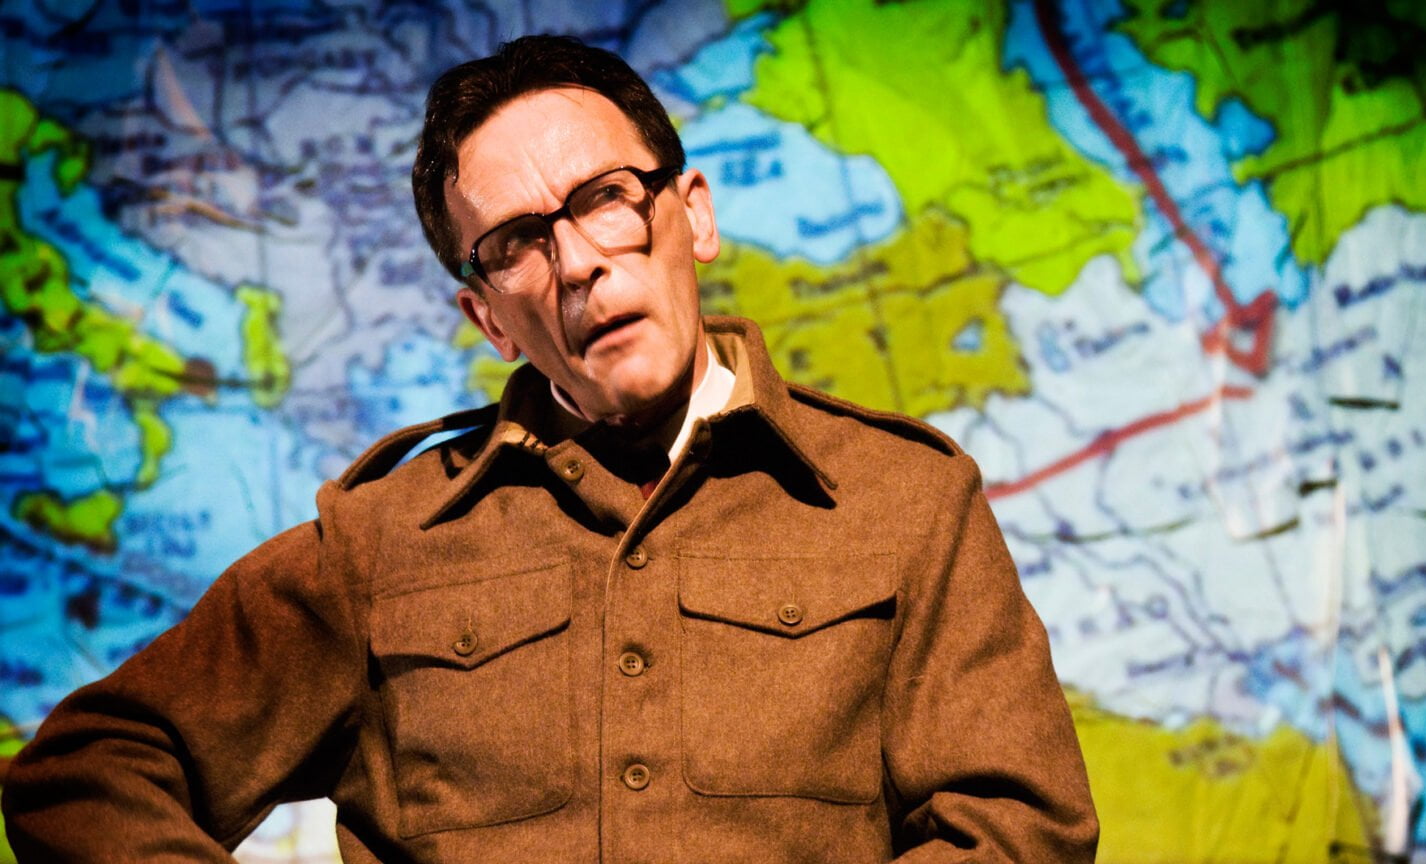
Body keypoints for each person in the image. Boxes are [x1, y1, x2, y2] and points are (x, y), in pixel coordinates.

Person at [1, 35, 1097, 862]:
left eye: (606, 201)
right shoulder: (382, 544)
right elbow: (88, 773)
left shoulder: (905, 501)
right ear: (487, 315)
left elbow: (1020, 828)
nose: (576, 264)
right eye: (519, 242)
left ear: (692, 215)